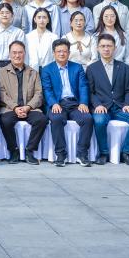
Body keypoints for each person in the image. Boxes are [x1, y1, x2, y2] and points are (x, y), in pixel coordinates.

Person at [87, 34, 129, 166]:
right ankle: (103, 153)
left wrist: (128, 104)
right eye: (103, 46)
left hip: (119, 107)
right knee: (99, 121)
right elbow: (90, 92)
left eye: (109, 46)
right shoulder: (92, 68)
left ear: (114, 48)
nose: (106, 49)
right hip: (102, 108)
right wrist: (97, 105)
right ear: (98, 48)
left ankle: (126, 153)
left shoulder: (123, 67)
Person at [40, 39, 93, 167]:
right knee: (56, 118)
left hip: (75, 104)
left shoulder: (77, 67)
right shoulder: (47, 69)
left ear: (69, 53)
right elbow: (47, 89)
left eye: (64, 51)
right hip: (58, 104)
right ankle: (61, 154)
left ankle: (82, 154)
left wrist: (84, 102)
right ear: (54, 53)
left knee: (87, 119)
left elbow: (83, 86)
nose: (62, 54)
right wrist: (53, 103)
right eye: (59, 51)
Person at [0, 41, 47, 165]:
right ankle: (13, 150)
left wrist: (28, 107)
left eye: (20, 52)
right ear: (9, 54)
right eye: (14, 52)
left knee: (41, 120)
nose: (17, 55)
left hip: (30, 108)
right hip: (10, 108)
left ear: (25, 54)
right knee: (5, 121)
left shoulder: (33, 72)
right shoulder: (2, 72)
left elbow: (39, 93)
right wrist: (15, 107)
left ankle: (30, 150)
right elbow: (1, 93)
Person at [0, 2, 26, 71]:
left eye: (7, 13)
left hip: (15, 67)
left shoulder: (19, 33)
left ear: (12, 15)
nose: (4, 15)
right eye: (2, 13)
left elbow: (20, 53)